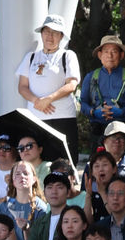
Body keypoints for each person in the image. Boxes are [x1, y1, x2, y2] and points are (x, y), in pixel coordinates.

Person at [16, 14, 81, 161]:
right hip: (36, 117)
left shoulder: (67, 55)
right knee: (39, 162)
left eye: (55, 33)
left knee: (66, 161)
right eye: (46, 31)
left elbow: (72, 84)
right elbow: (22, 87)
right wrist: (37, 101)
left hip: (63, 116)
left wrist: (48, 99)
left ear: (61, 36)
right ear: (41, 33)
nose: (50, 36)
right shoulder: (31, 57)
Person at [80, 34, 125, 140]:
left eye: (114, 52)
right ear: (100, 55)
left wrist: (122, 112)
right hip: (98, 128)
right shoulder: (91, 77)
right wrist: (93, 112)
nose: (110, 56)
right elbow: (83, 103)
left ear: (121, 55)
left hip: (124, 129)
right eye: (106, 51)